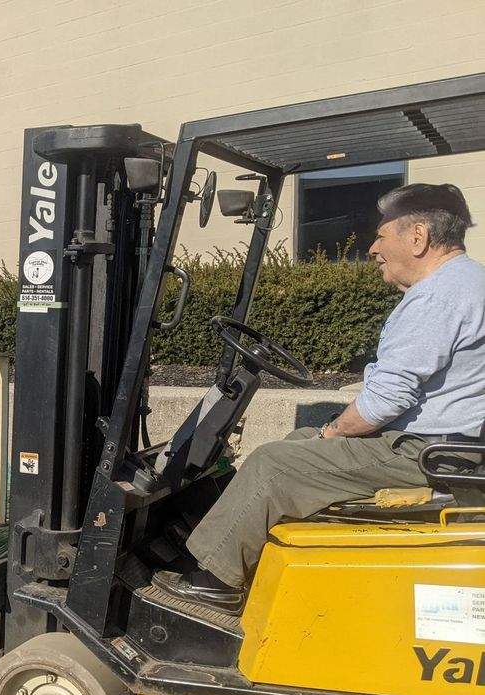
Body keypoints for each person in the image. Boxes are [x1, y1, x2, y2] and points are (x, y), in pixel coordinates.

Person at [153, 183, 485, 615]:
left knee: (275, 464)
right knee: (298, 441)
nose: (372, 248)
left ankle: (216, 582)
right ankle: (233, 549)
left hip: (424, 453)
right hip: (443, 446)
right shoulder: (469, 281)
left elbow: (384, 402)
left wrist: (333, 431)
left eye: (382, 236)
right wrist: (323, 432)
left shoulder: (438, 296)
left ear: (418, 236)